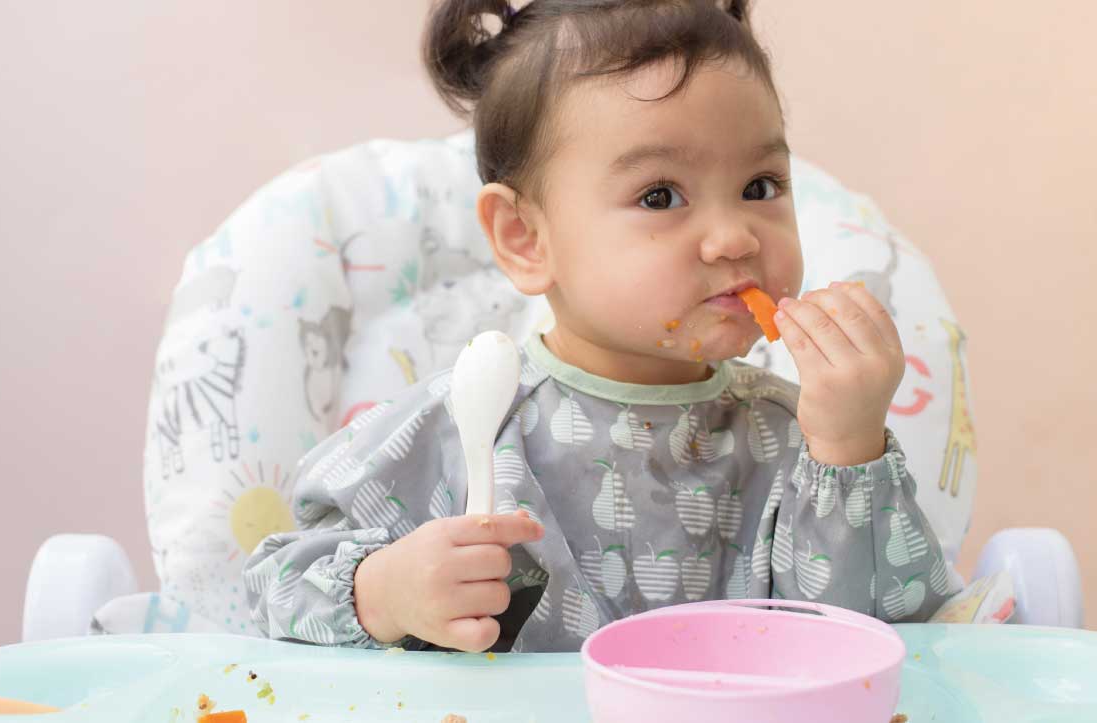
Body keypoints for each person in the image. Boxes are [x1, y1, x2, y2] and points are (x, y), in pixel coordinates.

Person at [244, 0, 951, 653]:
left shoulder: (804, 438)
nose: (735, 237)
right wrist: (384, 591)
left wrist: (849, 449)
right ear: (525, 237)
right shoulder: (464, 426)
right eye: (660, 195)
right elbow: (271, 586)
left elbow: (882, 645)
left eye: (759, 187)